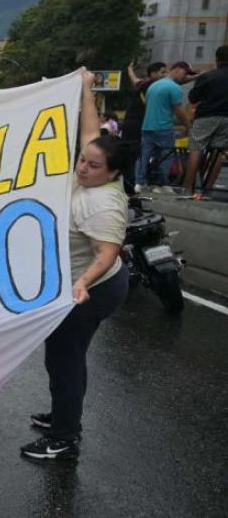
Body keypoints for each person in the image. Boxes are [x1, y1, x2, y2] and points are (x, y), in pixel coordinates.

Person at [21, 70, 131, 461]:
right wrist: (85, 88)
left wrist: (82, 283)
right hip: (79, 283)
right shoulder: (94, 164)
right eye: (83, 160)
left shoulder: (102, 203)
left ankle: (64, 438)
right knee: (65, 355)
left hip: (94, 288)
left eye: (93, 166)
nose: (83, 168)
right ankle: (62, 417)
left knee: (65, 358)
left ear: (114, 173)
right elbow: (90, 129)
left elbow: (108, 253)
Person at [137, 61, 194, 194]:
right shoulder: (174, 88)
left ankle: (139, 183)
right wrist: (188, 125)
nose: (185, 77)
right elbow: (178, 110)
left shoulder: (153, 86)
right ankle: (162, 184)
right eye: (185, 73)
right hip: (164, 127)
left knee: (145, 156)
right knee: (166, 156)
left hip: (147, 126)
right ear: (177, 69)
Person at [182, 45, 228, 200]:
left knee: (196, 149)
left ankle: (188, 189)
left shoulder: (208, 76)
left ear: (217, 59)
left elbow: (193, 98)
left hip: (206, 117)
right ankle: (208, 191)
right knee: (219, 153)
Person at [122, 61, 167, 194]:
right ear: (153, 74)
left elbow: (133, 78)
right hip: (139, 123)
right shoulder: (153, 86)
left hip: (129, 122)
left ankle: (130, 181)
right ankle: (138, 182)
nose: (165, 75)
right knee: (141, 153)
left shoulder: (141, 84)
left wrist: (129, 68)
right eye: (162, 72)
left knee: (132, 152)